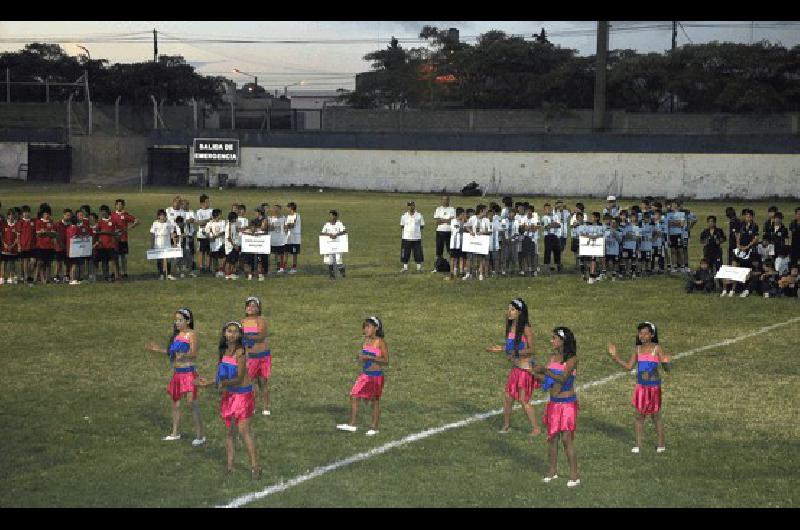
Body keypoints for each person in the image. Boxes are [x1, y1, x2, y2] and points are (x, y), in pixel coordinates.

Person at [197, 321, 261, 477]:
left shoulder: (240, 352)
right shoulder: (224, 351)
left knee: (243, 431)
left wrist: (218, 383)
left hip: (243, 395)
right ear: (224, 333)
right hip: (229, 396)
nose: (232, 334)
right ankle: (230, 467)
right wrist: (210, 382)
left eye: (235, 331)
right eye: (229, 331)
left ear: (239, 334)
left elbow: (238, 378)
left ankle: (255, 467)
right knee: (230, 433)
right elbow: (222, 375)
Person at [145, 308, 206, 446]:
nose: (177, 323)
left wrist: (184, 355)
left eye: (180, 320)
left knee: (192, 404)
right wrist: (158, 350)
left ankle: (200, 436)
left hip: (189, 373)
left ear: (188, 321)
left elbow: (194, 353)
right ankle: (175, 433)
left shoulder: (191, 334)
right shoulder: (177, 336)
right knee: (175, 405)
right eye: (176, 320)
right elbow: (172, 352)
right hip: (177, 374)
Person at [608, 322, 670, 454]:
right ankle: (638, 444)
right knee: (639, 416)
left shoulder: (656, 348)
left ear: (652, 335)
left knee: (656, 416)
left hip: (654, 387)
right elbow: (629, 367)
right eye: (640, 333)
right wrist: (615, 357)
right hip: (641, 387)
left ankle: (661, 444)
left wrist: (665, 363)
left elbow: (667, 369)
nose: (642, 335)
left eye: (645, 333)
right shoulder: (637, 350)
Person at [486, 298, 541, 437]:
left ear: (520, 312)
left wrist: (514, 353)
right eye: (508, 309)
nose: (509, 312)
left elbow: (532, 349)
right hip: (516, 368)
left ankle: (536, 429)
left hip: (524, 369)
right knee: (508, 396)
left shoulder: (526, 328)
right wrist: (501, 348)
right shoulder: (510, 327)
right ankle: (505, 426)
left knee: (523, 400)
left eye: (512, 309)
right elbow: (511, 347)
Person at [532, 326, 580, 487]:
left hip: (567, 405)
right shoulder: (552, 357)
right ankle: (552, 471)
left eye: (554, 338)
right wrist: (534, 373)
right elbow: (547, 381)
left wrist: (544, 370)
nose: (551, 341)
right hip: (553, 403)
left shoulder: (572, 359)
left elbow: (563, 378)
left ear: (562, 341)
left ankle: (574, 475)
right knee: (552, 438)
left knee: (566, 439)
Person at [337, 316, 389, 436]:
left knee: (374, 401)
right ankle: (352, 424)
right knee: (354, 395)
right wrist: (360, 358)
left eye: (368, 327)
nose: (365, 329)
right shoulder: (365, 342)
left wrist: (370, 357)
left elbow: (386, 361)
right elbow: (364, 356)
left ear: (376, 328)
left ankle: (374, 427)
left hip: (376, 376)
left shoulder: (380, 342)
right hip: (365, 375)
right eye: (364, 327)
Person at [241, 296, 272, 416]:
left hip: (263, 356)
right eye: (248, 305)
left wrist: (245, 336)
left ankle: (266, 406)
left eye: (253, 305)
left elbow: (260, 337)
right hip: (251, 357)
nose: (250, 308)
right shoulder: (244, 321)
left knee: (262, 382)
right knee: (251, 382)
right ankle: (252, 406)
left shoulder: (261, 320)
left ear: (259, 309)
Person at [111, 199, 139, 280]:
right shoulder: (112, 215)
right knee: (113, 257)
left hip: (123, 239)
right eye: (117, 205)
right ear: (115, 205)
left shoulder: (125, 215)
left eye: (121, 205)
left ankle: (124, 272)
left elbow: (136, 221)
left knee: (123, 257)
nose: (119, 206)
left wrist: (132, 226)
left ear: (123, 206)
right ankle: (114, 272)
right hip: (114, 239)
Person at [95, 205, 121, 282]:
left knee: (114, 261)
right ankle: (106, 277)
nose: (102, 213)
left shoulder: (113, 221)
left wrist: (112, 233)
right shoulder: (99, 222)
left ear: (107, 212)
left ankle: (117, 277)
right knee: (104, 262)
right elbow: (96, 232)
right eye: (101, 212)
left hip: (112, 245)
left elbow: (118, 231)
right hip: (102, 245)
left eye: (104, 212)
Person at [66, 209, 91, 285]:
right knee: (74, 265)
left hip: (70, 249)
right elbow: (75, 236)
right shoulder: (75, 228)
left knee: (74, 265)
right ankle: (72, 279)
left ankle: (73, 279)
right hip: (75, 250)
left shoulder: (68, 228)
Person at [150, 209, 177, 280]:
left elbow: (172, 234)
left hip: (167, 243)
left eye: (164, 215)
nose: (163, 217)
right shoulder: (155, 223)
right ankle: (161, 274)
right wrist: (152, 244)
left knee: (168, 259)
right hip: (158, 243)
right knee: (160, 259)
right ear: (158, 216)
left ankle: (169, 274)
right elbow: (152, 234)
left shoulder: (168, 223)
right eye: (161, 215)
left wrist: (174, 243)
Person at [34, 203, 57, 284]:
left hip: (50, 246)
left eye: (48, 213)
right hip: (41, 246)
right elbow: (38, 233)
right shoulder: (39, 222)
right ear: (42, 214)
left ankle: (47, 278)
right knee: (40, 262)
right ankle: (38, 278)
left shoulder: (51, 222)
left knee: (48, 263)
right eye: (45, 213)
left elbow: (54, 234)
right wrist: (47, 232)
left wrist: (46, 232)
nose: (47, 215)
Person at [321, 210, 347, 279]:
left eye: (331, 215)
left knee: (338, 260)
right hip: (329, 244)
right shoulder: (327, 224)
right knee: (330, 260)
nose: (330, 217)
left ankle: (342, 271)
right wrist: (329, 234)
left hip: (338, 244)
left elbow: (344, 231)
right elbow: (322, 233)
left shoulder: (339, 223)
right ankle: (331, 275)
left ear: (335, 216)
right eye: (329, 215)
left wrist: (336, 234)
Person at [400, 201, 425, 273]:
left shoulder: (419, 215)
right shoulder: (404, 216)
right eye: (409, 206)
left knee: (418, 253)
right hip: (406, 238)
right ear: (407, 207)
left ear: (414, 206)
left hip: (416, 238)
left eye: (412, 205)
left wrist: (415, 231)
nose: (410, 207)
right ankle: (405, 268)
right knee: (405, 253)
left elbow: (422, 225)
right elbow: (402, 226)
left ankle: (419, 268)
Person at [433, 195, 455, 273]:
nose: (445, 201)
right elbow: (437, 221)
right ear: (441, 200)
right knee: (439, 250)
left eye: (446, 199)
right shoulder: (438, 209)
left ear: (449, 200)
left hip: (449, 232)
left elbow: (452, 221)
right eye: (443, 200)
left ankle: (453, 267)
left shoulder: (452, 209)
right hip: (440, 231)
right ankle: (438, 267)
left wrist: (442, 220)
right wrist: (446, 220)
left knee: (450, 250)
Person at [541, 203, 563, 274]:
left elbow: (559, 225)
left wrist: (551, 225)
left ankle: (558, 266)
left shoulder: (556, 216)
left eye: (549, 208)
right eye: (546, 209)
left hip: (555, 236)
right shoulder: (543, 218)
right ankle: (546, 267)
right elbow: (546, 227)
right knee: (547, 251)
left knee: (557, 251)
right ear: (544, 210)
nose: (548, 210)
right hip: (548, 236)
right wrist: (553, 224)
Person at [17, 205, 36, 284]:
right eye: (24, 212)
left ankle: (30, 275)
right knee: (25, 261)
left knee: (32, 261)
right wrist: (19, 245)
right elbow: (18, 235)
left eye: (27, 212)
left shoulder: (33, 221)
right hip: (24, 245)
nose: (26, 214)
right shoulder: (20, 222)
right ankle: (26, 277)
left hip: (32, 245)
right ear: (22, 213)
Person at [1, 208, 20, 285]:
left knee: (12, 263)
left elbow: (18, 237)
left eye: (12, 215)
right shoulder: (4, 224)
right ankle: (1, 278)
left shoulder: (16, 224)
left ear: (14, 216)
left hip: (13, 248)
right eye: (9, 215)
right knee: (4, 263)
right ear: (7, 216)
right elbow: (1, 236)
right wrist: (4, 244)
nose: (11, 216)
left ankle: (11, 277)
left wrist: (12, 245)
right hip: (4, 248)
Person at [206, 209, 226, 278]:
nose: (220, 216)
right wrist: (209, 237)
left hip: (221, 243)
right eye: (220, 214)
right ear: (217, 215)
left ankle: (221, 270)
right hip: (213, 244)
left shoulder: (222, 222)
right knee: (215, 258)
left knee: (223, 257)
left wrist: (216, 236)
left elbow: (223, 232)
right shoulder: (209, 223)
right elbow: (206, 232)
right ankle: (216, 271)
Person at [447, 207, 466, 281]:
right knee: (453, 258)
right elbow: (458, 230)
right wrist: (462, 222)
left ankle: (461, 272)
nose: (464, 215)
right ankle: (451, 272)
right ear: (460, 214)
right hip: (454, 244)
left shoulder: (462, 222)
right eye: (463, 214)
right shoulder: (454, 221)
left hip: (461, 243)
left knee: (461, 257)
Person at [53, 208, 71, 283]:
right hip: (59, 247)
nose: (68, 217)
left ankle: (66, 276)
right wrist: (58, 243)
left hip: (68, 247)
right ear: (63, 215)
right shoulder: (57, 224)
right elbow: (54, 235)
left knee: (67, 263)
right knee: (59, 263)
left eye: (70, 215)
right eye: (67, 215)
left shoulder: (70, 225)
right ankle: (56, 276)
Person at [285, 202, 302, 274]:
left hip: (295, 238)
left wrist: (286, 226)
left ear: (291, 208)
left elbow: (292, 225)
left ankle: (294, 268)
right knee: (286, 251)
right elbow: (286, 226)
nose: (287, 209)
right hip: (288, 237)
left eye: (288, 207)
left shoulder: (297, 215)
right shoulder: (288, 216)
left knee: (294, 253)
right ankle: (284, 266)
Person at [224, 211, 241, 280]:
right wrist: (234, 245)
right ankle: (227, 275)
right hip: (230, 247)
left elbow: (237, 231)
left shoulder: (233, 225)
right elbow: (229, 237)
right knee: (229, 261)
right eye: (235, 218)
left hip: (234, 245)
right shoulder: (229, 226)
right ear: (233, 218)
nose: (236, 219)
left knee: (233, 261)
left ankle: (231, 274)